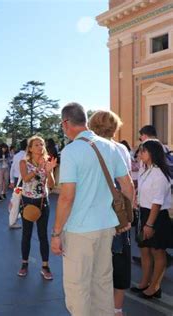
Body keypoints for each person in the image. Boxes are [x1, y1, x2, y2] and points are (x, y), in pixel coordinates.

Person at [51, 103, 134, 316]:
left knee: (78, 288)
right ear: (85, 121)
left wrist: (56, 233)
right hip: (107, 227)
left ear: (66, 123)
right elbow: (128, 186)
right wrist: (127, 219)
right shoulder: (111, 147)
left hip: (79, 230)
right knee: (103, 285)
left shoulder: (70, 151)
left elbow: (67, 197)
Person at [89, 111, 132, 316]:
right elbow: (127, 185)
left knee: (96, 266)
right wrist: (128, 216)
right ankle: (116, 309)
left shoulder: (87, 148)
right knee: (120, 263)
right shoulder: (121, 149)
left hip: (92, 217)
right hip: (116, 216)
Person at [131, 140, 172, 299]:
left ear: (153, 153)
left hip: (156, 216)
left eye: (143, 151)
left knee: (157, 252)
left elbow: (157, 201)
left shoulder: (160, 174)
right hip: (143, 212)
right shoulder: (144, 169)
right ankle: (144, 283)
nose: (140, 154)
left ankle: (155, 287)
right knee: (144, 250)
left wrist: (149, 224)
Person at [17, 136, 56, 280]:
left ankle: (45, 266)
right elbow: (26, 178)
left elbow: (51, 185)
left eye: (42, 144)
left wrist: (49, 171)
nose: (40, 147)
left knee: (42, 235)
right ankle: (24, 263)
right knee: (26, 234)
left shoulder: (46, 162)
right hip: (27, 201)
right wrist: (38, 168)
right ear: (30, 148)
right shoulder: (24, 162)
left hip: (42, 202)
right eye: (37, 145)